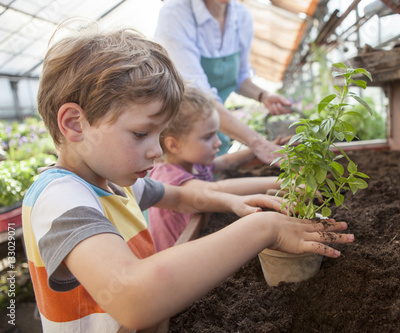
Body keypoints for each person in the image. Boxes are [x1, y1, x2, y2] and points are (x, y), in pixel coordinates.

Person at [22, 25, 354, 332]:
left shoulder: (115, 184)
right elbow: (131, 297)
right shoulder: (60, 199)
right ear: (75, 124)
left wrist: (233, 201)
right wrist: (262, 228)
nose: (156, 151)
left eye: (159, 134)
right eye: (141, 133)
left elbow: (182, 196)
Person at [154, 0, 293, 162]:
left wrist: (263, 95)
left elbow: (240, 77)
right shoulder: (175, 13)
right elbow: (197, 92)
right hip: (185, 144)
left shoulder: (242, 16)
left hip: (215, 131)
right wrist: (258, 143)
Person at [149, 86, 284, 250]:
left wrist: (260, 149)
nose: (218, 142)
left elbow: (226, 162)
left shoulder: (195, 163)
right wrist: (281, 181)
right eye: (208, 137)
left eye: (216, 134)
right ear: (174, 145)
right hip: (180, 258)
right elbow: (214, 188)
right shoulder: (168, 176)